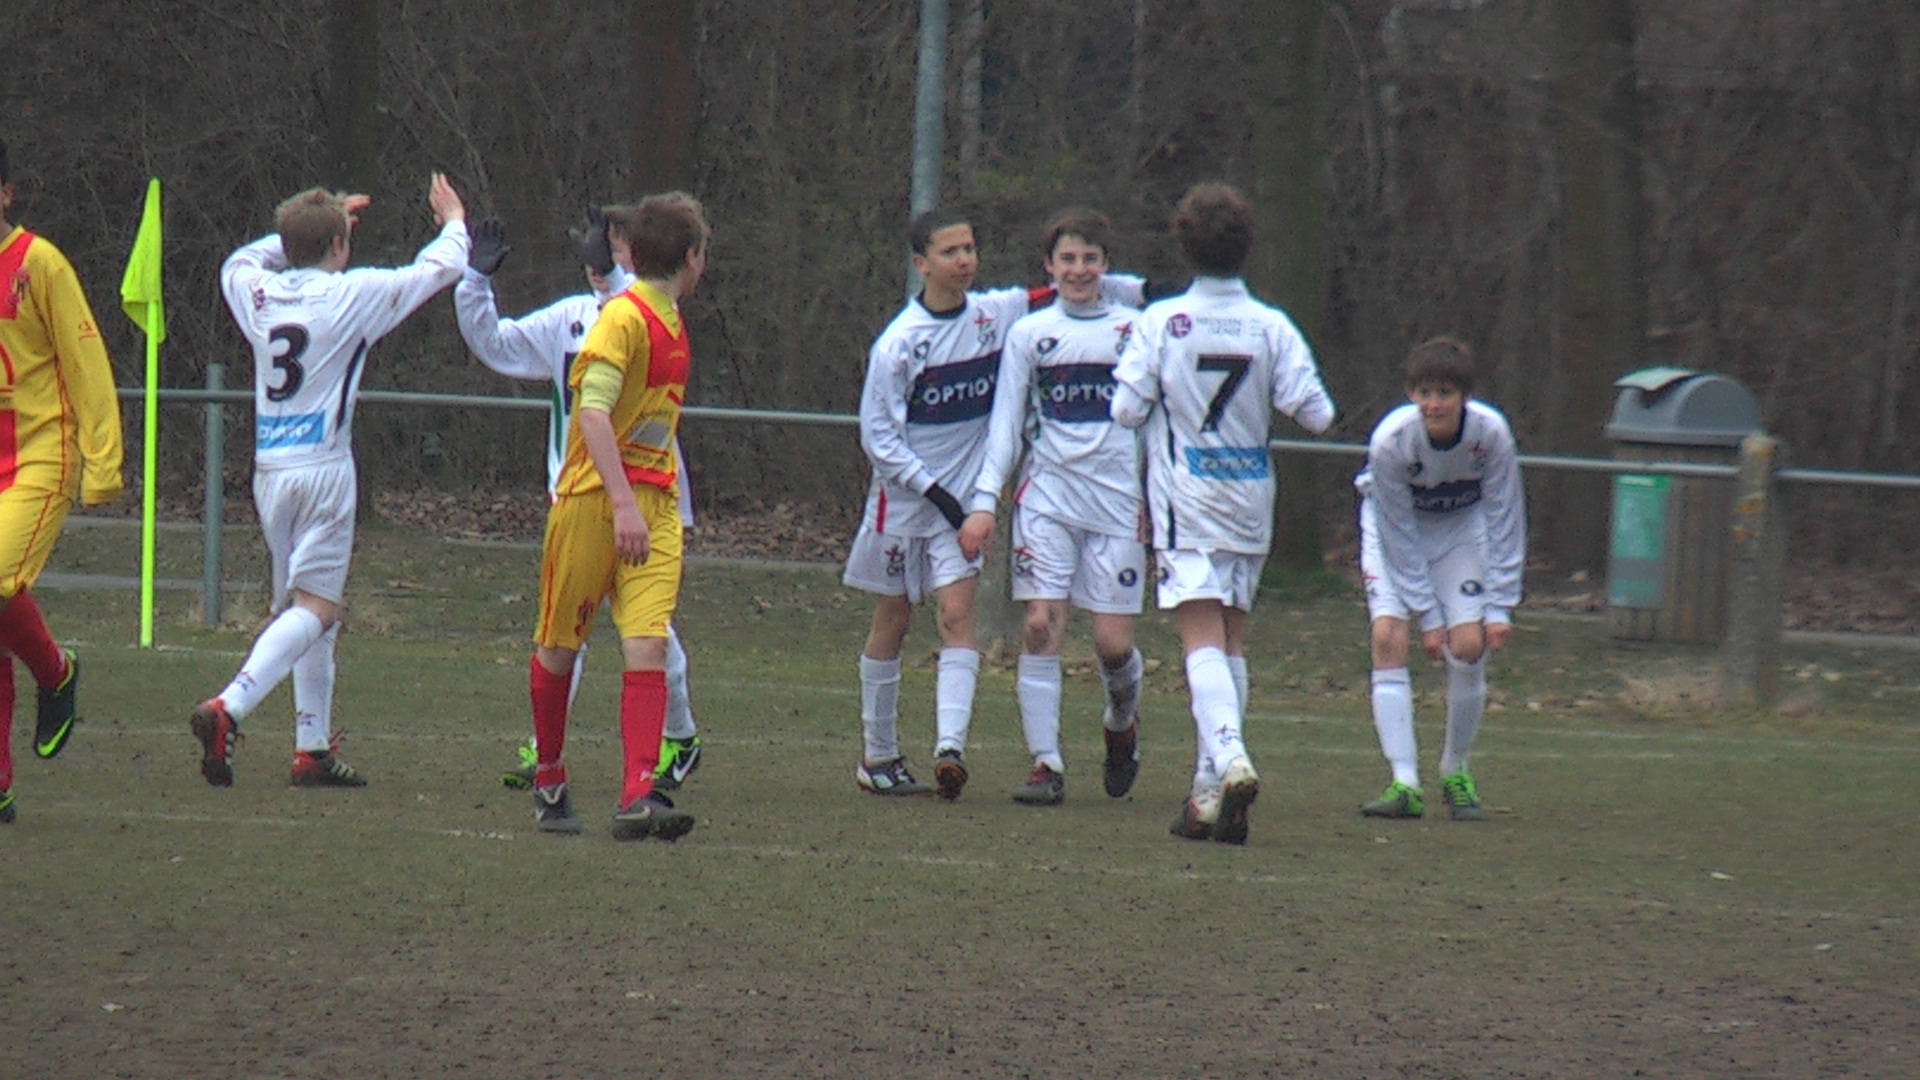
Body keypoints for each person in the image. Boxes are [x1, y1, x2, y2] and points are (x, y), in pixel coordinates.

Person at [845, 207, 1149, 802]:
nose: (964, 260)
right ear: (921, 263)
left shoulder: (996, 313)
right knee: (893, 620)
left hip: (964, 504)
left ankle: (949, 751)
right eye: (950, 251)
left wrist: (1183, 290)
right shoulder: (899, 344)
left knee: (958, 616)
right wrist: (943, 497)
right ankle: (877, 755)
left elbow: (1079, 282)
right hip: (904, 501)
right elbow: (879, 439)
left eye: (969, 249)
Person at [189, 174, 469, 788]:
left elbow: (240, 260)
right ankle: (229, 705)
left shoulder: (256, 289)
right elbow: (439, 269)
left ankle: (311, 748)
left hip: (270, 470)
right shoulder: (352, 294)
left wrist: (308, 228)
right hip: (323, 469)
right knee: (317, 607)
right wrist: (453, 221)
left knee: (306, 609)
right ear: (340, 246)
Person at [1111, 182, 1336, 845]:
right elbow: (1318, 414)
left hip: (1188, 497)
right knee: (1230, 640)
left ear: (1183, 246)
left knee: (1199, 638)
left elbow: (1125, 409)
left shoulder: (1162, 322)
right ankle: (1208, 795)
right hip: (1250, 497)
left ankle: (1231, 756)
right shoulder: (1271, 325)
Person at [454, 207, 703, 793]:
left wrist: (614, 272)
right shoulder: (571, 318)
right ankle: (553, 755)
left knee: (650, 631)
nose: (601, 260)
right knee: (570, 631)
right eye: (596, 248)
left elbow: (632, 303)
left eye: (614, 249)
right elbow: (497, 345)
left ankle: (671, 742)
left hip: (647, 491)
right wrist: (475, 284)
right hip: (581, 494)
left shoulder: (646, 313)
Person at [523, 192, 709, 841]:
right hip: (592, 503)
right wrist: (623, 502)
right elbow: (593, 416)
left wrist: (645, 502)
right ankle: (549, 774)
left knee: (648, 641)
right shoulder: (622, 320)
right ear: (693, 257)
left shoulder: (671, 320)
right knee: (559, 647)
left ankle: (638, 795)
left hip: (654, 504)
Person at [960, 208, 1147, 806]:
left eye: (1090, 259)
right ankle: (1046, 763)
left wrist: (1158, 498)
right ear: (1049, 266)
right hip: (1047, 500)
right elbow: (1006, 425)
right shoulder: (1029, 334)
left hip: (1118, 504)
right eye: (1067, 259)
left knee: (1112, 646)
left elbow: (1158, 422)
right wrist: (985, 502)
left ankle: (1121, 725)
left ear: (1106, 265)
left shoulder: (1135, 330)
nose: (1079, 270)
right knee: (1040, 628)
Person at [0, 138, 125, 823]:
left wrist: (102, 463)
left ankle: (56, 671)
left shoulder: (39, 263)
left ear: (6, 194)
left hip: (37, 456)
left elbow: (85, 360)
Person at [1354, 337, 1524, 822]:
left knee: (1469, 646)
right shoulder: (1391, 442)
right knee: (1388, 636)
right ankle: (1404, 782)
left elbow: (1505, 514)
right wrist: (1428, 617)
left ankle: (1456, 768)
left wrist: (1500, 605)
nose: (1434, 404)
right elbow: (1398, 532)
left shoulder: (1491, 434)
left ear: (1465, 396)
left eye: (1445, 393)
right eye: (1425, 393)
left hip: (1460, 532)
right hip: (1394, 534)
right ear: (1411, 394)